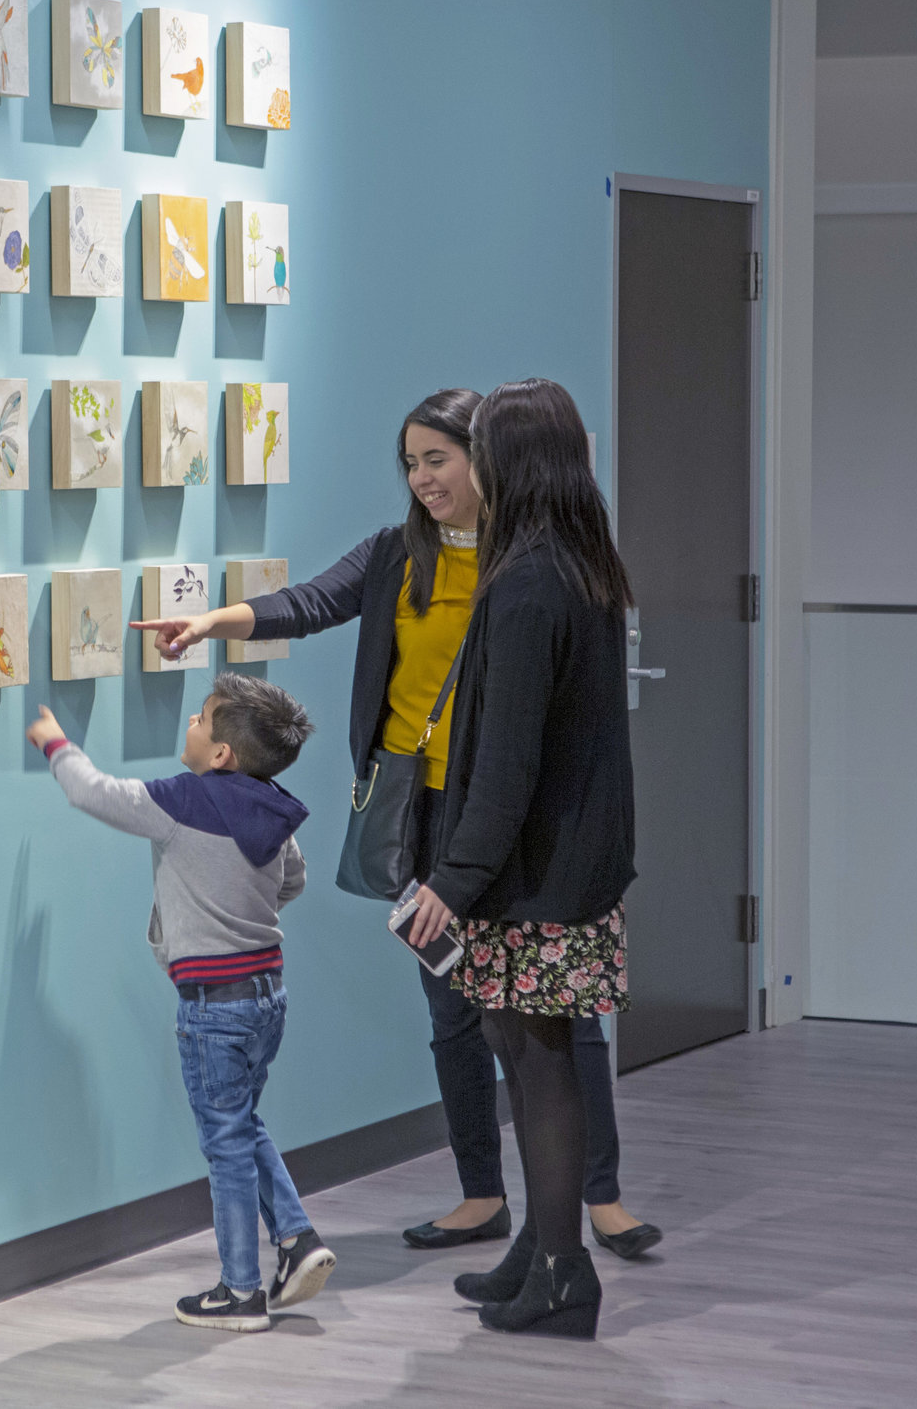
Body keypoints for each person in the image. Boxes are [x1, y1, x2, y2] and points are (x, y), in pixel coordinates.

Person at [133, 390, 659, 1274]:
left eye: (440, 459)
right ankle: (486, 1194)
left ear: (485, 460)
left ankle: (590, 1199)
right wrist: (216, 621)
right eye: (410, 464)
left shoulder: (529, 564)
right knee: (458, 1007)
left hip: (511, 815)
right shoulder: (397, 555)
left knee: (551, 1018)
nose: (423, 480)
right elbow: (311, 601)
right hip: (427, 808)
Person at [394, 377, 638, 1338]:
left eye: (475, 447)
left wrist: (451, 884)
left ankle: (566, 1270)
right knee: (518, 1049)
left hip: (536, 875)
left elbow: (508, 759)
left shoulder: (532, 581)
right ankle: (538, 1246)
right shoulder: (571, 562)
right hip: (555, 866)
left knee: (537, 1065)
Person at [25, 675, 338, 1333]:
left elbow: (93, 792)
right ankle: (297, 1236)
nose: (190, 725)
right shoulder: (274, 810)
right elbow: (294, 880)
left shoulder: (182, 800)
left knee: (223, 1140)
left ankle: (240, 1290)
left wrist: (56, 741)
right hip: (266, 995)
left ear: (220, 752)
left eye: (200, 719)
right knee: (240, 1120)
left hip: (211, 1005)